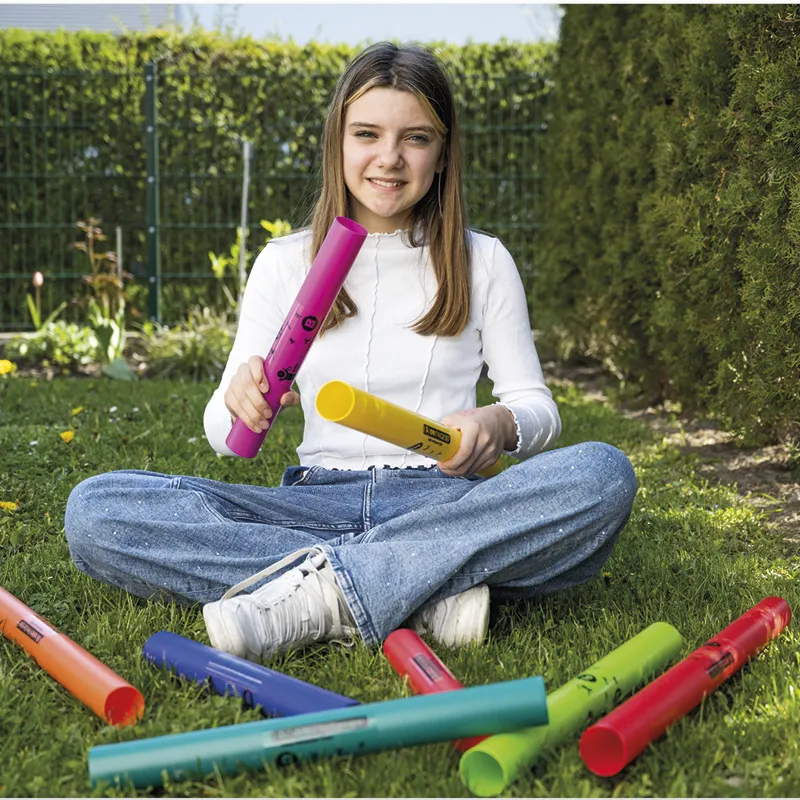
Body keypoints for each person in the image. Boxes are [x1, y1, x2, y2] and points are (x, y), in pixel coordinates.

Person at [64, 42, 637, 663]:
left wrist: (499, 422)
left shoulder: (484, 261)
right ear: (338, 141)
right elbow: (220, 432)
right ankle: (421, 589)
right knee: (97, 510)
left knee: (601, 475)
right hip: (310, 505)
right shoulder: (285, 262)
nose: (389, 158)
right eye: (367, 133)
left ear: (443, 154)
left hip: (442, 503)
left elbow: (536, 408)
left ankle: (315, 593)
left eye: (415, 138)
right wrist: (241, 401)